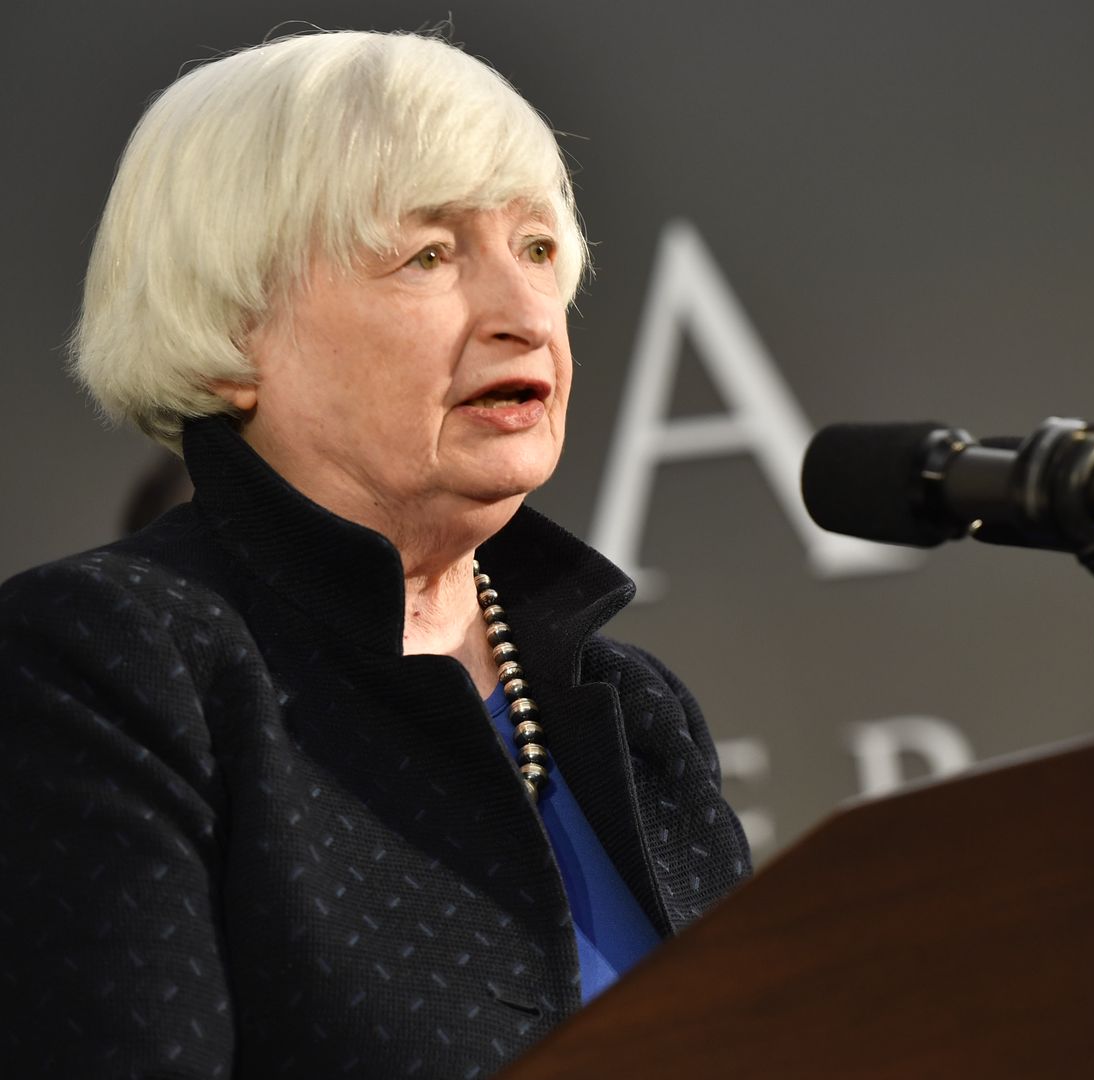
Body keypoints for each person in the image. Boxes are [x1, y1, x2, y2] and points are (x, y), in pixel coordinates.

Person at [0, 30, 750, 1077]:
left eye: (537, 250)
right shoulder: (113, 665)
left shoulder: (635, 712)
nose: (524, 315)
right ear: (229, 333)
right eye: (429, 256)